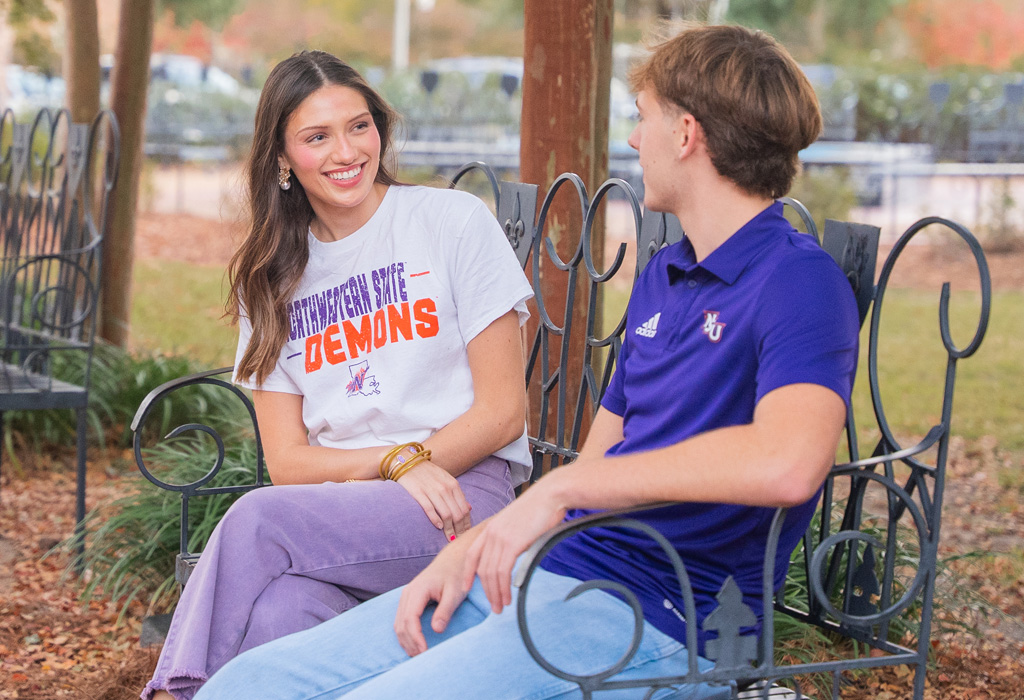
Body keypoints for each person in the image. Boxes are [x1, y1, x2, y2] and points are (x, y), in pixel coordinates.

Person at [192, 23, 860, 700]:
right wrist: (479, 550)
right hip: (551, 575)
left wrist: (561, 490)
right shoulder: (666, 275)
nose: (633, 139)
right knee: (248, 683)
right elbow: (602, 455)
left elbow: (789, 463)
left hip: (665, 618)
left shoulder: (799, 281)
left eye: (643, 118)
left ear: (685, 134)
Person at [143, 51, 534, 700]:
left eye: (359, 127)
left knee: (257, 522)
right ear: (281, 158)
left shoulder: (450, 222)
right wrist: (397, 463)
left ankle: (175, 692)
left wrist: (417, 462)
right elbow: (288, 462)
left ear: (380, 128)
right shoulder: (270, 282)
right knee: (283, 612)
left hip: (462, 497)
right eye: (317, 136)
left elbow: (502, 413)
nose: (346, 151)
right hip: (348, 507)